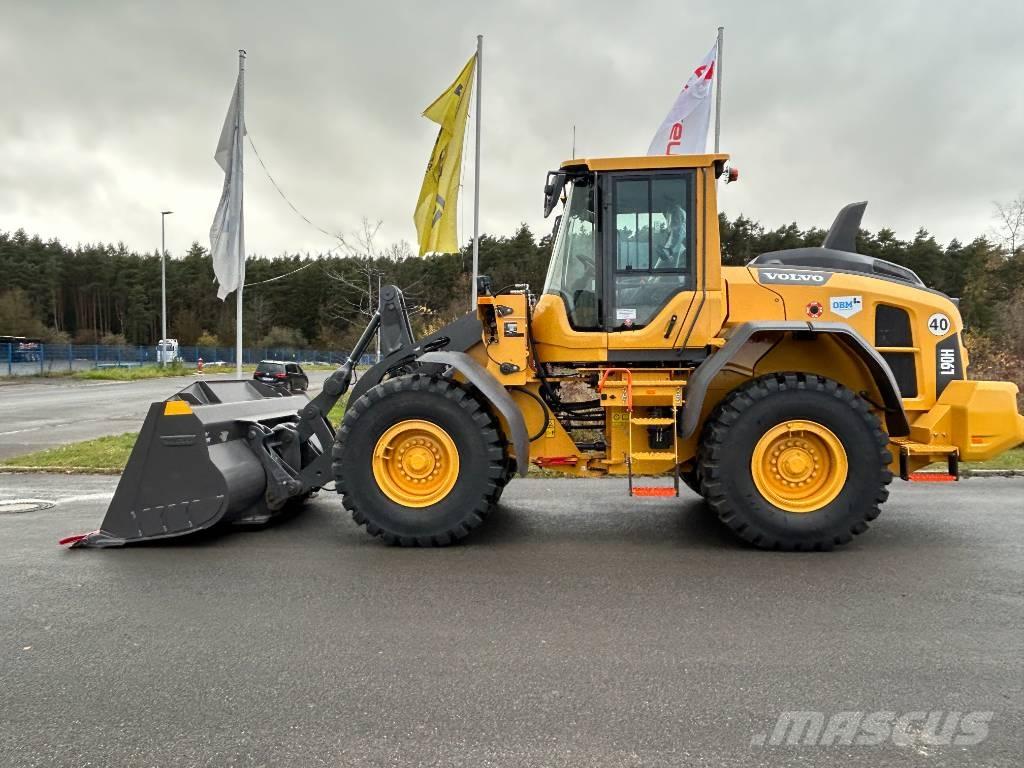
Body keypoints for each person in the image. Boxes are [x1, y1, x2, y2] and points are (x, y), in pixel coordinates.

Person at [655, 194, 687, 270]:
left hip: (675, 250)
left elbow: (676, 231)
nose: (662, 212)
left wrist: (668, 250)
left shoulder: (675, 211)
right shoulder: (676, 211)